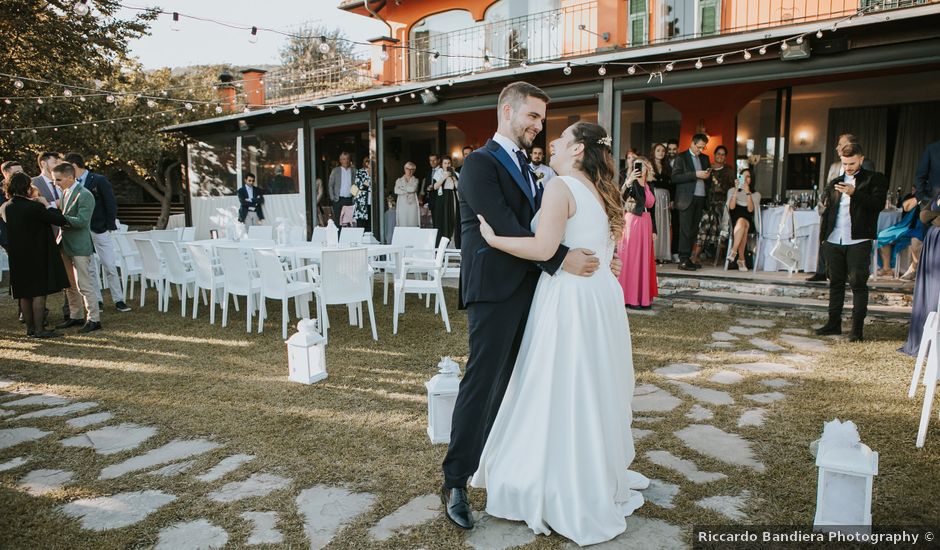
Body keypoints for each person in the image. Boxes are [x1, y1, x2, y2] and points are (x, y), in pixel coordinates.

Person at [442, 81, 617, 534]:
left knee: (521, 385)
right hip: (497, 290)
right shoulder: (479, 163)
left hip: (537, 290)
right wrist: (563, 259)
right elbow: (502, 226)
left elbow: (546, 226)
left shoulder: (535, 169)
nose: (539, 127)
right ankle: (455, 480)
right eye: (533, 116)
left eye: (543, 119)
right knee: (483, 382)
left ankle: (507, 468)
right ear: (507, 110)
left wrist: (558, 258)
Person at [471, 121, 644, 546]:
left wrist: (494, 239)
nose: (552, 141)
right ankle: (591, 473)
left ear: (579, 150)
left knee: (556, 385)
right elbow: (604, 249)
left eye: (562, 139)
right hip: (602, 297)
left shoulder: (561, 186)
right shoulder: (604, 191)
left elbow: (544, 249)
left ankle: (554, 480)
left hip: (569, 299)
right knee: (592, 386)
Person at [815, 142, 888, 342]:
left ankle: (856, 330)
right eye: (845, 163)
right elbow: (827, 212)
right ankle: (833, 324)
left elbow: (877, 205)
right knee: (835, 283)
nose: (848, 167)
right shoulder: (835, 182)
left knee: (858, 284)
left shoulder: (875, 179)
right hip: (833, 239)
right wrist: (823, 239)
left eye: (852, 163)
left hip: (858, 240)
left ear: (861, 159)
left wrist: (854, 193)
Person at [1, 173, 70, 338]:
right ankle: (40, 330)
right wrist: (46, 204)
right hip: (37, 252)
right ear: (26, 187)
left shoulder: (5, 207)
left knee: (24, 292)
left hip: (17, 254)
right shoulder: (35, 207)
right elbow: (59, 219)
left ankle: (30, 329)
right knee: (38, 291)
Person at [65, 153, 131, 313]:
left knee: (109, 264)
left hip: (100, 229)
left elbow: (110, 203)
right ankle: (98, 300)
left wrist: (108, 225)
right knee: (90, 268)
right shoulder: (71, 184)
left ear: (74, 166)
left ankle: (119, 299)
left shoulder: (98, 180)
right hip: (82, 232)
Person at [809, 134, 875, 282]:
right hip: (831, 209)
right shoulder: (835, 166)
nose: (837, 147)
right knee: (825, 238)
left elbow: (868, 187)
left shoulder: (866, 164)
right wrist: (823, 202)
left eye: (840, 144)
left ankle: (845, 273)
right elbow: (827, 186)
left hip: (852, 214)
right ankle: (822, 271)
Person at [52, 163, 102, 333]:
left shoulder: (85, 195)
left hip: (80, 245)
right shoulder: (65, 192)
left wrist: (59, 218)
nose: (55, 183)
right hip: (64, 244)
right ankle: (76, 315)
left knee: (84, 284)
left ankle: (94, 319)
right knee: (69, 284)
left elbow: (81, 221)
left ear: (70, 177)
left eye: (58, 180)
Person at [900, 189, 940, 356]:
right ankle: (925, 339)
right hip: (933, 243)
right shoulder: (937, 194)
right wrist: (935, 215)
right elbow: (923, 216)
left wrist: (933, 215)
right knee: (930, 289)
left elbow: (930, 217)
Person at [618, 156, 658, 309]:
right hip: (633, 222)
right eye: (637, 166)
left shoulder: (650, 185)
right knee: (632, 259)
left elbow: (652, 208)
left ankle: (642, 297)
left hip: (646, 223)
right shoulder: (631, 183)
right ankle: (629, 297)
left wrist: (654, 229)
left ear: (648, 167)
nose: (641, 169)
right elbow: (621, 198)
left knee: (644, 260)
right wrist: (628, 181)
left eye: (643, 165)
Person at [671, 134, 712, 270]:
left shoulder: (705, 158)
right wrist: (695, 174)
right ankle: (683, 260)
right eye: (699, 147)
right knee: (685, 230)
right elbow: (675, 177)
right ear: (692, 143)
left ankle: (689, 258)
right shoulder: (681, 157)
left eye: (702, 148)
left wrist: (706, 175)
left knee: (694, 230)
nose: (700, 150)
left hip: (701, 197)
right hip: (686, 199)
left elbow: (708, 179)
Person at [692, 144, 735, 264]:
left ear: (725, 157)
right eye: (718, 154)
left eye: (723, 154)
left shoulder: (729, 171)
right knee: (705, 219)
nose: (720, 156)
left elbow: (731, 190)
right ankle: (701, 254)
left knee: (709, 218)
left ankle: (697, 254)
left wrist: (719, 186)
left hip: (721, 207)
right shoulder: (708, 169)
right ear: (714, 155)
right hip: (705, 204)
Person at [726, 168, 756, 271]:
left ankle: (733, 251)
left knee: (742, 221)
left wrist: (747, 192)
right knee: (741, 224)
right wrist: (735, 190)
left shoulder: (756, 194)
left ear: (751, 179)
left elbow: (750, 209)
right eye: (743, 177)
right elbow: (732, 207)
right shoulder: (731, 191)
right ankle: (741, 259)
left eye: (748, 177)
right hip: (734, 223)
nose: (746, 179)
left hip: (748, 221)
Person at [649, 143, 673, 262]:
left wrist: (672, 199)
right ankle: (652, 254)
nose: (661, 153)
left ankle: (662, 254)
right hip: (654, 195)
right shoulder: (649, 165)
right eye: (658, 150)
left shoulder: (667, 166)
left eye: (663, 151)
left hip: (666, 196)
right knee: (655, 223)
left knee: (664, 224)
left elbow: (671, 184)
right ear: (653, 152)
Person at [433, 157, 459, 243]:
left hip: (452, 197)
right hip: (442, 198)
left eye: (448, 163)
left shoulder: (455, 174)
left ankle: (453, 242)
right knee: (442, 219)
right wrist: (444, 177)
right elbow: (435, 186)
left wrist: (454, 177)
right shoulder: (438, 173)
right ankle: (442, 243)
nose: (447, 165)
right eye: (445, 163)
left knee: (453, 218)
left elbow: (459, 188)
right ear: (442, 164)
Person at [328, 152, 355, 229]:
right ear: (340, 160)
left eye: (347, 159)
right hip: (338, 199)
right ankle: (339, 239)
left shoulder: (354, 171)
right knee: (338, 221)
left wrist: (354, 196)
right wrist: (333, 198)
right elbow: (330, 185)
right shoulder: (336, 171)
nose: (346, 161)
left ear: (349, 160)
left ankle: (348, 239)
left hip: (349, 199)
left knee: (349, 221)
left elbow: (356, 185)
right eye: (343, 159)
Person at [394, 162, 420, 227]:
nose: (410, 171)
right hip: (402, 204)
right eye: (408, 169)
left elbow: (413, 189)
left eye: (412, 169)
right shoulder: (399, 180)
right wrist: (407, 190)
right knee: (403, 222)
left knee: (412, 221)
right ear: (405, 169)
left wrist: (402, 188)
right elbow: (396, 190)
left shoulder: (416, 180)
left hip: (412, 204)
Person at [353, 156, 372, 231]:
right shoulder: (360, 172)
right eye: (367, 162)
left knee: (371, 222)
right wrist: (367, 185)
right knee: (361, 224)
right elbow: (358, 185)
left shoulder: (376, 172)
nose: (368, 164)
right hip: (361, 201)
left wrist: (366, 185)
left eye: (369, 162)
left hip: (372, 201)